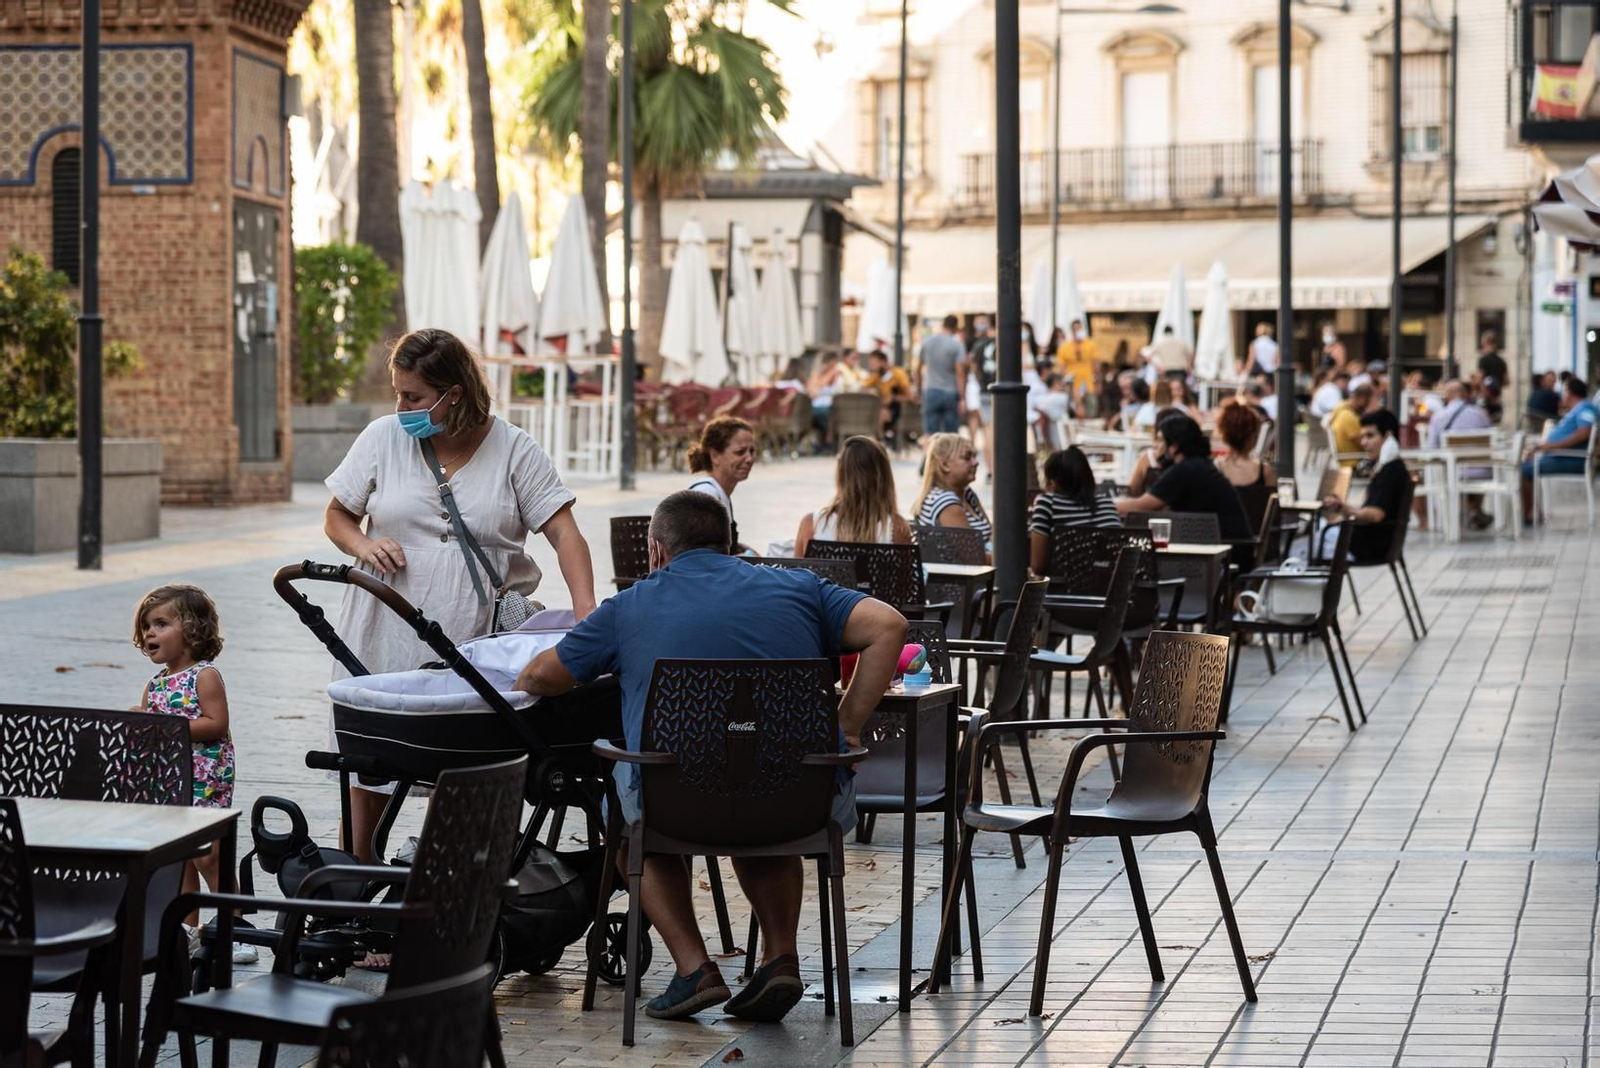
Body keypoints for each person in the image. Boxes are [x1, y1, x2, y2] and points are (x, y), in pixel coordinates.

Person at [514, 491, 908, 1023]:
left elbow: (541, 677)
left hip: (676, 806)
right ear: (728, 543)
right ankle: (780, 957)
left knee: (628, 821)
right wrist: (849, 726)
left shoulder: (629, 606)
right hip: (796, 802)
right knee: (757, 794)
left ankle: (694, 969)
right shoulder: (799, 587)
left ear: (656, 550)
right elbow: (889, 626)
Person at [324, 328, 596, 869]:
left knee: (460, 765)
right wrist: (363, 544)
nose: (401, 408)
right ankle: (358, 884)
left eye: (414, 397)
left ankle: (441, 881)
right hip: (384, 624)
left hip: (472, 634)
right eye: (398, 393)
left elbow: (565, 533)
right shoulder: (382, 438)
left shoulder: (513, 449)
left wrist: (587, 615)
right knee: (371, 764)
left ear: (454, 394)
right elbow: (337, 516)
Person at [134, 584, 256, 963]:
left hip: (205, 777)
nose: (150, 632)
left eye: (161, 624)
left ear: (191, 630)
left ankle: (235, 929)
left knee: (209, 855)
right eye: (146, 626)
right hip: (169, 779)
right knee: (180, 856)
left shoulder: (204, 676)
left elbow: (216, 723)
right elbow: (151, 733)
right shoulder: (155, 684)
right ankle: (187, 929)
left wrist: (163, 726)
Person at [1115, 413, 1252, 541]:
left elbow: (1143, 506)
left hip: (1226, 549)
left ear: (1174, 447)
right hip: (1233, 545)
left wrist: (1109, 506)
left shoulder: (1184, 470)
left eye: (1160, 440)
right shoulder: (1198, 465)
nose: (1156, 446)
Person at [794, 435, 912, 556]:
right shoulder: (897, 529)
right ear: (885, 478)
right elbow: (906, 569)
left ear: (840, 475)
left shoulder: (811, 525)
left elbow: (796, 568)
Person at [1321, 409, 1411, 562]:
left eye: (1370, 436)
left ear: (1388, 436)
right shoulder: (1389, 467)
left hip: (1367, 546)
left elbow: (1375, 515)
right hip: (1369, 542)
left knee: (1298, 546)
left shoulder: (1391, 471)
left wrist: (1344, 508)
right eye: (1363, 437)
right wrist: (1343, 507)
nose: (1363, 443)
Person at [1029, 447, 1121, 574]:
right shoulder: (1107, 504)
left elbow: (1038, 566)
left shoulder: (1048, 504)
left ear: (1053, 483)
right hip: (1108, 584)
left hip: (1063, 584)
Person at [1521, 376, 1597, 522]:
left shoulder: (1585, 408)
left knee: (1523, 470)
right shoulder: (1577, 409)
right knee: (1525, 465)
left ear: (1568, 393)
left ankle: (1530, 513)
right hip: (1560, 456)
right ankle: (1532, 511)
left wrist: (1553, 446)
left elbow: (1584, 432)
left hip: (1571, 459)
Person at [688, 416, 757, 553]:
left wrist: (742, 549)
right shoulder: (707, 495)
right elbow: (702, 557)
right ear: (714, 456)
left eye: (751, 451)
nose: (749, 459)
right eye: (740, 452)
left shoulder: (720, 494)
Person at [916, 432, 993, 543]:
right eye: (967, 457)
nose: (976, 463)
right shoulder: (946, 503)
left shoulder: (965, 492)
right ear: (945, 465)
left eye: (974, 456)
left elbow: (992, 534)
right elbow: (970, 552)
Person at [1215, 402, 1277, 532]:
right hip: (1257, 540)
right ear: (1253, 435)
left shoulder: (1216, 469)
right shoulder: (1265, 471)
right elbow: (1274, 517)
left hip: (1225, 539)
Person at [918, 314, 967, 436]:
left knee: (930, 434)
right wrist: (962, 397)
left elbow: (918, 369)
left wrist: (920, 390)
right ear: (955, 328)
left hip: (931, 390)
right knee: (951, 435)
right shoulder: (957, 345)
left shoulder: (927, 342)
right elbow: (960, 373)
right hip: (950, 392)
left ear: (943, 325)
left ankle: (931, 449)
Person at [966, 316, 997, 472]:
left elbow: (973, 367)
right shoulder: (1003, 344)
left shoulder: (978, 345)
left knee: (988, 430)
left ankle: (991, 471)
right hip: (1001, 392)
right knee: (999, 431)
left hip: (985, 390)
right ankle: (997, 469)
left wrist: (980, 383)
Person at [862, 350, 913, 439]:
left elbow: (910, 397)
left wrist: (893, 398)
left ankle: (879, 441)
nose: (871, 366)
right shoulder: (877, 376)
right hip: (881, 407)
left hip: (897, 409)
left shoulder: (898, 373)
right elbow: (863, 386)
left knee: (880, 415)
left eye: (874, 363)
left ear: (883, 362)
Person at [1329, 381, 1376, 464]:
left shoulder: (1341, 407)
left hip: (1348, 459)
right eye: (1372, 400)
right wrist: (1373, 412)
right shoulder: (1349, 417)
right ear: (1363, 398)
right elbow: (1367, 445)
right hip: (1353, 462)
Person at [1054, 319, 1100, 403]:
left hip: (1088, 385)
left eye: (1080, 329)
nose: (1079, 331)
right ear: (1072, 331)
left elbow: (1096, 366)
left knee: (1090, 407)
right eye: (1076, 329)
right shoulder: (1064, 347)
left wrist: (1098, 383)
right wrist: (1064, 384)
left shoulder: (1091, 345)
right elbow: (1061, 368)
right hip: (1071, 386)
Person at [806, 351, 843, 453]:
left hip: (830, 405)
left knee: (827, 416)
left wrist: (816, 385)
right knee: (815, 417)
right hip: (817, 406)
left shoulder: (835, 372)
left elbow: (820, 384)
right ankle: (823, 443)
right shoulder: (817, 373)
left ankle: (827, 443)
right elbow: (811, 389)